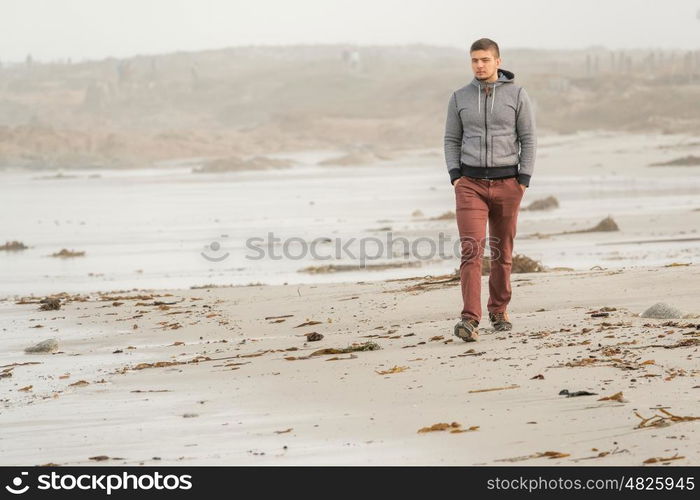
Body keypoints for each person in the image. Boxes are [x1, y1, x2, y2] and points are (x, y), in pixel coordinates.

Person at [443, 38, 537, 342]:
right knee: (471, 251)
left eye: (485, 60)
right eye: (474, 60)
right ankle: (469, 319)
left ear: (498, 61)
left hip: (508, 183)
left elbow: (529, 139)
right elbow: (451, 140)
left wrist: (523, 179)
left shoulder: (517, 95)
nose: (479, 65)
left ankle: (499, 309)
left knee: (502, 252)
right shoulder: (459, 97)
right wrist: (455, 176)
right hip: (470, 185)